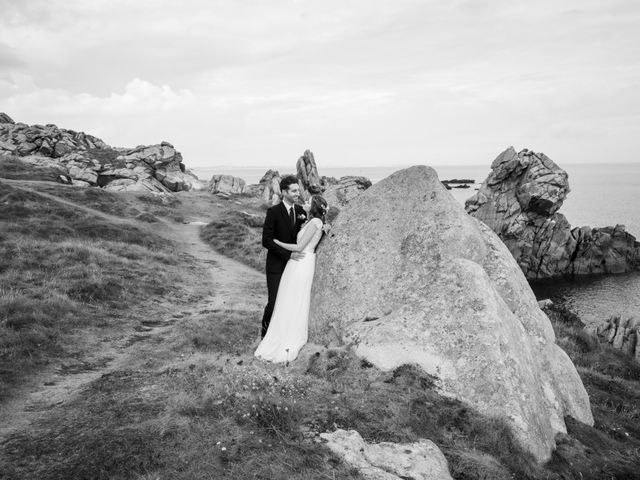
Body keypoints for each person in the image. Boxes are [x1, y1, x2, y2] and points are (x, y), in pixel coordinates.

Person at [255, 194, 328, 363]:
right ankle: (275, 333)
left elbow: (299, 247)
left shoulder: (316, 222)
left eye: (308, 201)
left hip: (302, 261)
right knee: (286, 298)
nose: (305, 202)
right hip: (297, 262)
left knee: (295, 299)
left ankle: (287, 336)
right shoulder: (310, 219)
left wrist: (277, 242)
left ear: (314, 206)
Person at [260, 175, 307, 338]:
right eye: (294, 191)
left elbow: (306, 235)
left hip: (296, 266)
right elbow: (266, 240)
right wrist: (288, 255)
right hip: (276, 266)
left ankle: (284, 336)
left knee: (291, 303)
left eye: (298, 190)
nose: (297, 194)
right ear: (284, 192)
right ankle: (264, 336)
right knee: (274, 303)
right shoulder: (273, 212)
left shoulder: (301, 212)